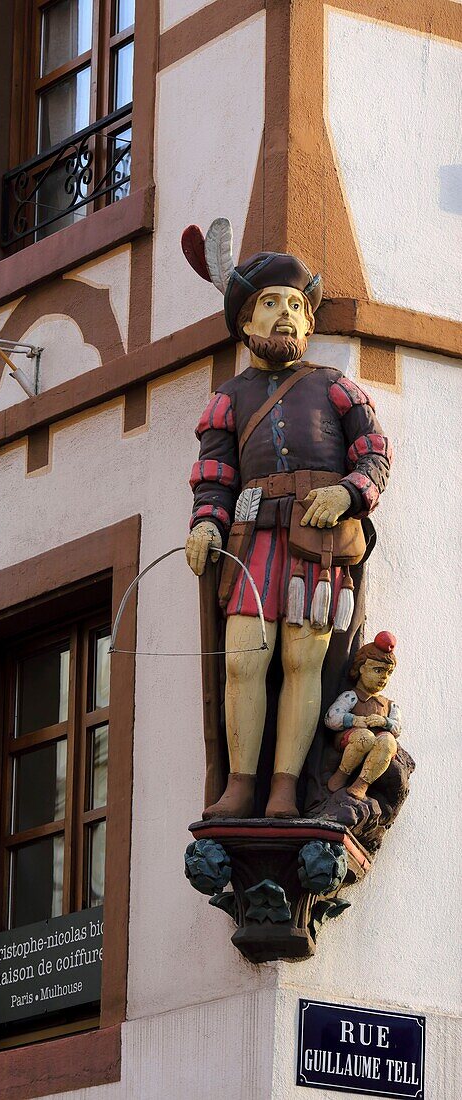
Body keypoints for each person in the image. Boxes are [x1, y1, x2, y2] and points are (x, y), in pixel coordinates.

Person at [182, 219, 392, 819]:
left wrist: (351, 495)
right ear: (245, 322)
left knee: (305, 660)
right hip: (252, 539)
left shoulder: (333, 387)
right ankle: (241, 783)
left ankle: (284, 788)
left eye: (296, 305)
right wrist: (205, 524)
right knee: (245, 656)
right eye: (269, 303)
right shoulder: (229, 397)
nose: (286, 316)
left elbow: (373, 450)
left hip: (318, 541)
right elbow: (215, 474)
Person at [324, 632, 400, 800]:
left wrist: (384, 721)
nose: (383, 678)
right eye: (378, 670)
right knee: (365, 737)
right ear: (362, 668)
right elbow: (331, 718)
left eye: (388, 673)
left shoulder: (389, 704)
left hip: (379, 742)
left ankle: (362, 783)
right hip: (353, 738)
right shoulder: (351, 696)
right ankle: (342, 774)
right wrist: (354, 720)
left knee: (388, 741)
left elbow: (397, 727)